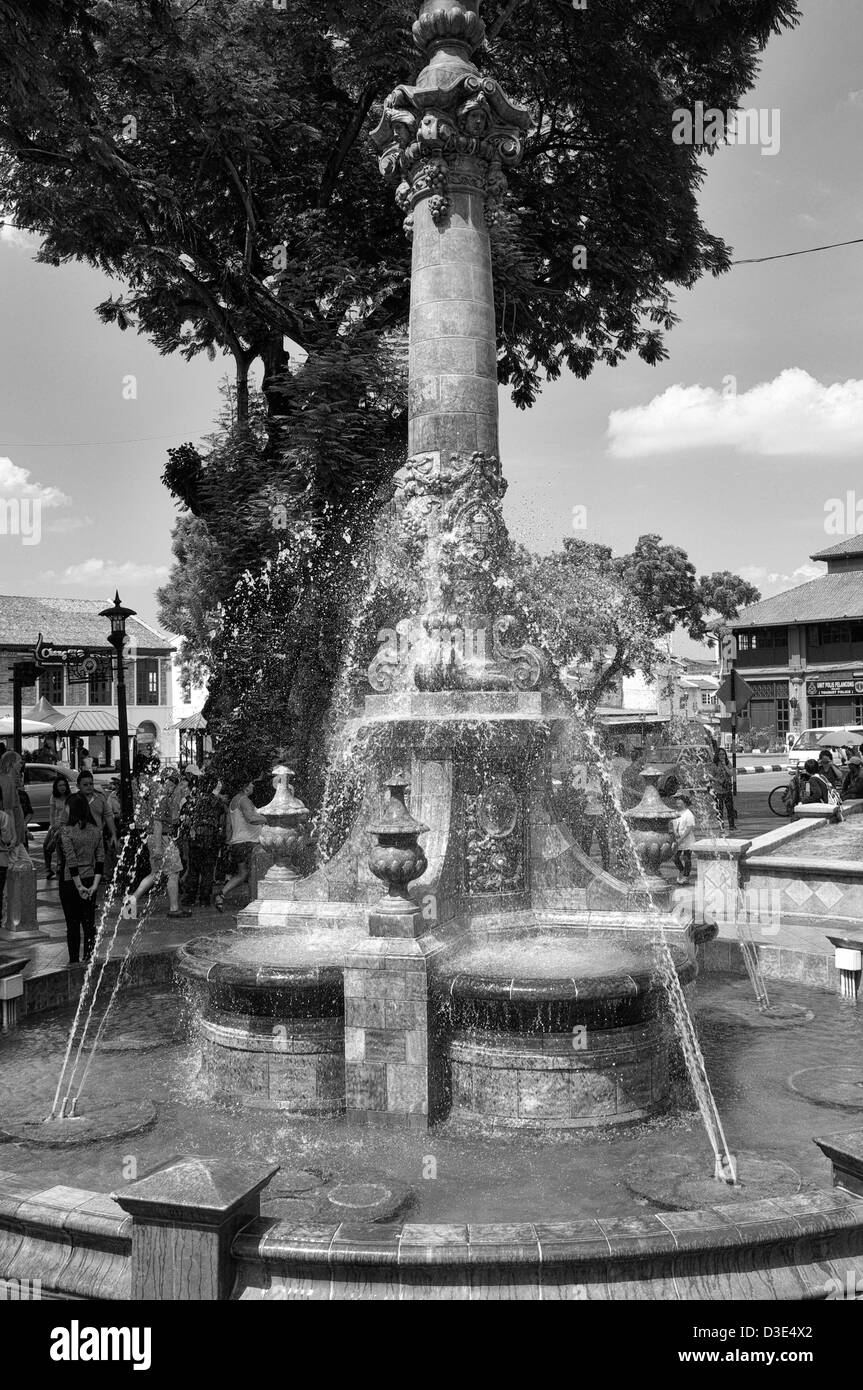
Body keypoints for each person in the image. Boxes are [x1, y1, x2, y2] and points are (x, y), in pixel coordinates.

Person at [58, 792, 104, 963]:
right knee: (89, 923)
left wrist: (79, 887)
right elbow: (100, 859)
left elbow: (70, 860)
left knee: (72, 924)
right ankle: (89, 959)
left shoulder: (67, 831)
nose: (65, 811)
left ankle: (74, 961)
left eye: (67, 808)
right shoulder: (96, 831)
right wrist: (94, 885)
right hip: (91, 878)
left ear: (73, 809)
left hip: (70, 881)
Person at [215, 776, 268, 911]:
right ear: (245, 786)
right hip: (248, 843)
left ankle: (221, 895)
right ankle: (253, 902)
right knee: (253, 874)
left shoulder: (234, 800)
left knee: (242, 874)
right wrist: (269, 819)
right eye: (251, 783)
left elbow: (228, 824)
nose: (253, 786)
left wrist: (229, 841)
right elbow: (251, 818)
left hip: (238, 843)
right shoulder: (244, 800)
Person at [181, 774, 227, 910]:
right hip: (211, 838)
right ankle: (204, 899)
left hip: (195, 838)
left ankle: (190, 897)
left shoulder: (193, 800)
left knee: (193, 869)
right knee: (208, 870)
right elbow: (222, 821)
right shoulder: (217, 802)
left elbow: (185, 819)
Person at [0, 751, 27, 929]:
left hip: (13, 838)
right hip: (12, 840)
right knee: (19, 872)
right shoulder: (7, 780)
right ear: (11, 763)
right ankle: (11, 917)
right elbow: (9, 810)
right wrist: (14, 836)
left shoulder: (7, 780)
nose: (21, 766)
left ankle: (13, 917)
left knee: (20, 871)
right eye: (19, 763)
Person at [44, 772, 72, 879]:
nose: (62, 787)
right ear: (56, 787)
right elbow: (51, 813)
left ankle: (60, 866)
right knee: (46, 844)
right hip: (55, 825)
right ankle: (48, 869)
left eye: (64, 785)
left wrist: (61, 826)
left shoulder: (70, 797)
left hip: (66, 825)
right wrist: (51, 827)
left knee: (58, 841)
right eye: (60, 785)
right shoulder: (53, 797)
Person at [671, 791, 696, 885]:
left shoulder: (688, 814)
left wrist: (681, 839)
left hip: (687, 841)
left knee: (686, 858)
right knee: (675, 858)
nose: (677, 801)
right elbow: (673, 824)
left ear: (685, 801)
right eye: (676, 799)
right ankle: (681, 870)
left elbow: (689, 828)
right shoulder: (676, 813)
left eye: (679, 799)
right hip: (677, 839)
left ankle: (686, 876)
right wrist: (675, 833)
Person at [712, 748, 736, 831]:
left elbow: (731, 773)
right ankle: (721, 826)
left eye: (723, 754)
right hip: (718, 790)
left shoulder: (727, 763)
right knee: (719, 810)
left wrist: (724, 765)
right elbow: (710, 776)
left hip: (727, 790)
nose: (722, 756)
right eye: (720, 754)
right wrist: (718, 780)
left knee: (730, 809)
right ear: (717, 756)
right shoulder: (714, 764)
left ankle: (732, 826)